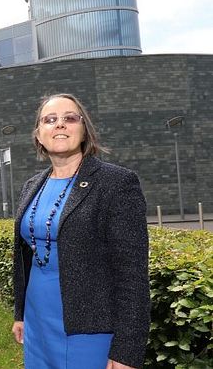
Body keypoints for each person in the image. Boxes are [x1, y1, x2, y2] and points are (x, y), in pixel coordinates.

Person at [11, 94, 150, 368]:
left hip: (88, 329)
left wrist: (127, 350)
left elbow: (132, 275)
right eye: (50, 120)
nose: (60, 125)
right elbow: (24, 257)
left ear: (84, 129)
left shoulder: (116, 183)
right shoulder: (32, 186)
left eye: (70, 118)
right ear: (39, 135)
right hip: (37, 320)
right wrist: (21, 314)